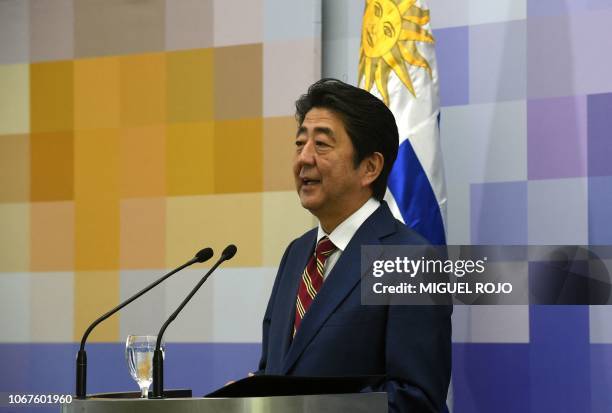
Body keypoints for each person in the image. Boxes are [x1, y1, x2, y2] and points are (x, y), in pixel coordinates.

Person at [255, 78, 452, 413]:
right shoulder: (297, 253)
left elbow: (415, 401)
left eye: (321, 145)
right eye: (300, 143)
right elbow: (274, 373)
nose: (303, 159)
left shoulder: (410, 260)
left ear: (370, 167)